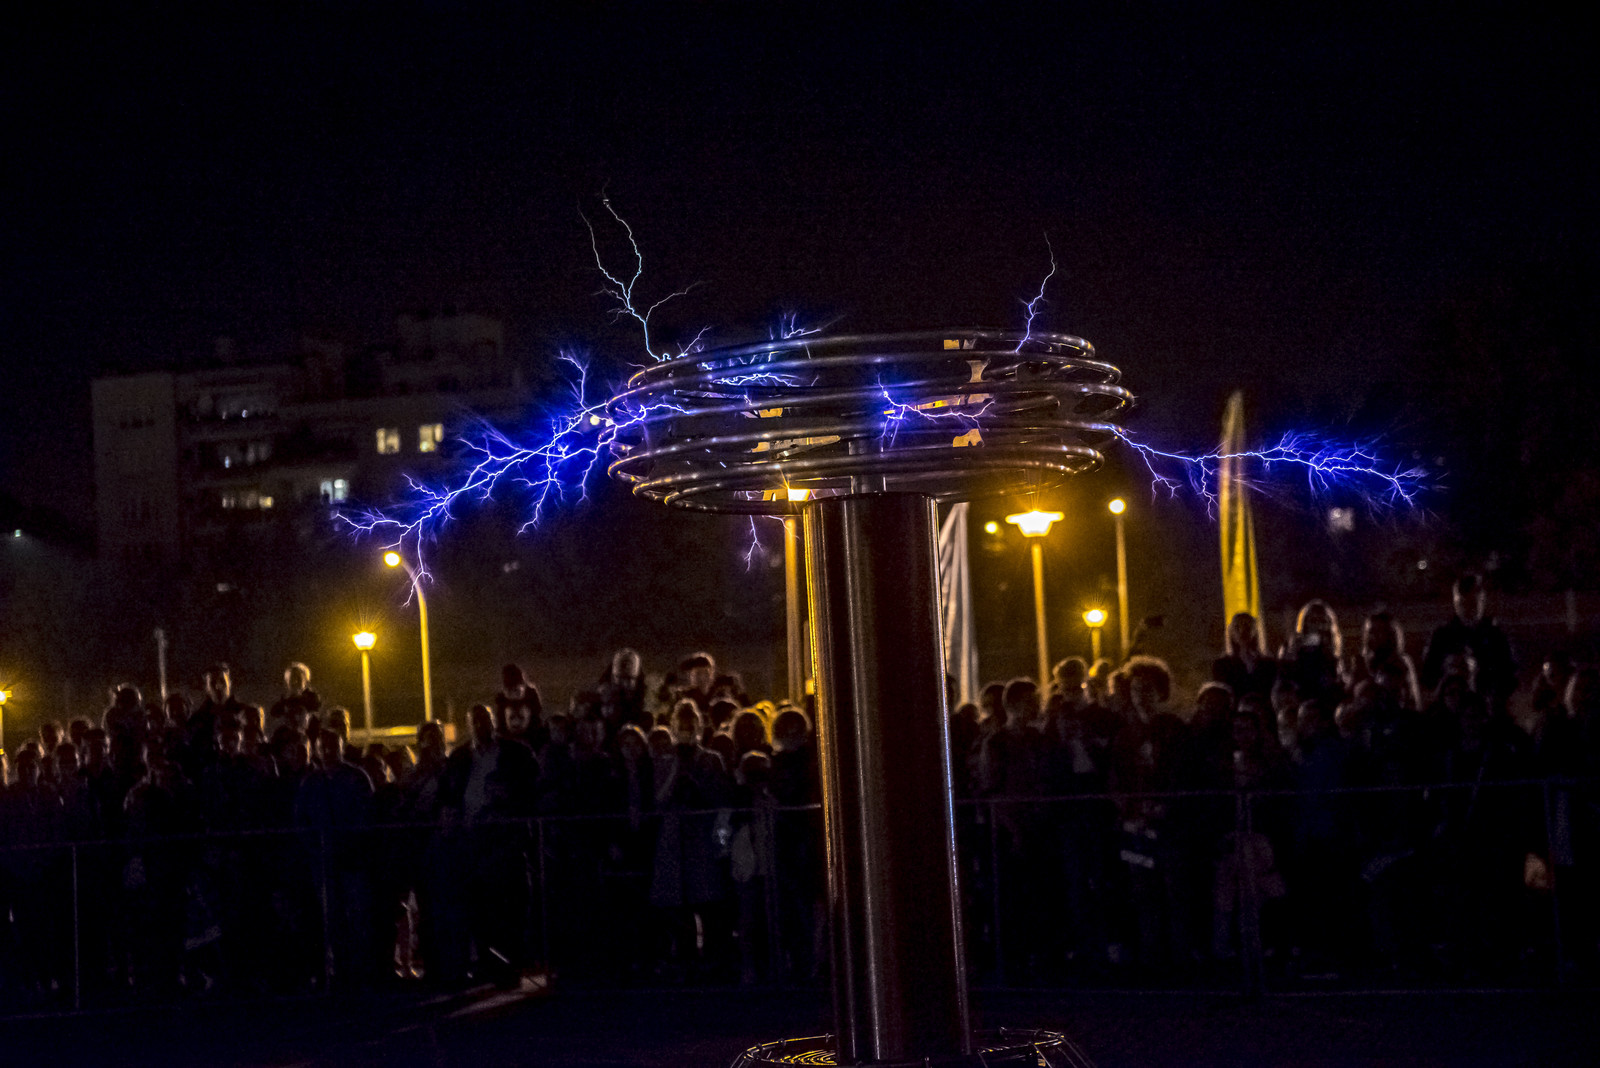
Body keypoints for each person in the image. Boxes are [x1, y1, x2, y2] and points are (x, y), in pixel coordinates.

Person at [1422, 573, 1517, 715]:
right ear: (1455, 602)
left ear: (1482, 600)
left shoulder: (1496, 636)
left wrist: (1483, 675)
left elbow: (1510, 677)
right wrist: (1448, 669)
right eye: (1461, 604)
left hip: (1487, 711)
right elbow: (1428, 676)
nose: (1466, 610)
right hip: (1449, 712)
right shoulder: (1442, 636)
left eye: (1472, 603)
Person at [1213, 612, 1279, 703]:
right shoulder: (1222, 665)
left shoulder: (1268, 663)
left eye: (1247, 627)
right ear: (1231, 632)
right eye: (1237, 627)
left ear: (1254, 631)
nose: (1242, 631)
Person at [269, 662, 322, 732]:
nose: (295, 681)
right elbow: (274, 713)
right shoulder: (285, 698)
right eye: (292, 678)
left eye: (298, 678)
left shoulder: (311, 697)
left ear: (305, 680)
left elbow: (315, 709)